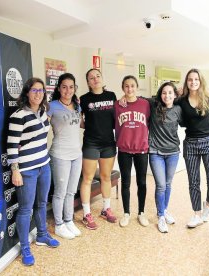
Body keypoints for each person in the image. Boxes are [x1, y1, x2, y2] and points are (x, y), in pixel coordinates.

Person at [7, 77, 60, 266]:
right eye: (34, 90)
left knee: (42, 203)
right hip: (27, 170)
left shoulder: (44, 112)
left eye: (41, 91)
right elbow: (12, 146)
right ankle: (25, 248)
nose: (38, 94)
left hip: (44, 165)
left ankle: (42, 235)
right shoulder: (18, 115)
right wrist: (15, 170)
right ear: (27, 93)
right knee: (25, 209)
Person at [176, 68, 209, 228]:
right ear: (186, 82)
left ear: (200, 81)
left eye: (196, 79)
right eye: (190, 79)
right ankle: (196, 214)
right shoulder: (181, 100)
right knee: (194, 182)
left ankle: (208, 205)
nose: (193, 82)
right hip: (191, 144)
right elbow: (164, 103)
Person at [79, 68, 117, 230]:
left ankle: (106, 209)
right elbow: (80, 121)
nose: (95, 79)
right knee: (87, 179)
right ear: (88, 82)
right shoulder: (83, 99)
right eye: (91, 78)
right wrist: (92, 126)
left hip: (109, 143)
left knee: (106, 177)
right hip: (91, 143)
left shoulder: (111, 96)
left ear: (102, 78)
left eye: (98, 76)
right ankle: (87, 214)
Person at [47, 73, 82, 239]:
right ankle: (59, 224)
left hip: (77, 155)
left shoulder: (77, 105)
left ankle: (69, 221)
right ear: (59, 88)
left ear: (75, 88)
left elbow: (80, 125)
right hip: (60, 155)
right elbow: (41, 126)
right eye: (64, 87)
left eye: (71, 87)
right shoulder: (52, 106)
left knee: (71, 191)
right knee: (60, 192)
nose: (68, 90)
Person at [115, 75, 150, 228]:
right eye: (127, 86)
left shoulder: (145, 104)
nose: (130, 89)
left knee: (142, 182)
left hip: (141, 149)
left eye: (132, 86)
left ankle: (141, 212)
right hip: (124, 149)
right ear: (123, 88)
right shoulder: (117, 105)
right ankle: (126, 213)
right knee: (126, 182)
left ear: (137, 87)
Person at [148, 82, 182, 233]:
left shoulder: (178, 109)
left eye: (170, 93)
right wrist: (123, 98)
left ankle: (164, 210)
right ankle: (161, 216)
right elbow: (137, 97)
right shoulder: (153, 106)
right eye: (164, 92)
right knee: (161, 185)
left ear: (175, 95)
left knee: (168, 183)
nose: (166, 95)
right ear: (160, 94)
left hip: (173, 152)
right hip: (155, 151)